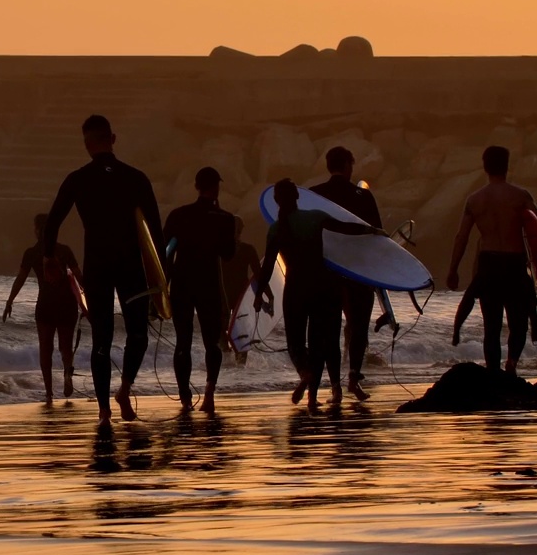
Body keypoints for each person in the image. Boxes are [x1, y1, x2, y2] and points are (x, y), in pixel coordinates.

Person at [43, 115, 162, 424]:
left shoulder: (78, 179)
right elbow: (156, 230)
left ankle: (104, 411)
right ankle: (124, 391)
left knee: (101, 340)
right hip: (131, 268)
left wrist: (48, 259)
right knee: (138, 335)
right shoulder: (136, 178)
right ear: (113, 138)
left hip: (97, 267)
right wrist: (163, 275)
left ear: (87, 144)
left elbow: (52, 221)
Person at [254, 180, 384, 409]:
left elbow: (267, 267)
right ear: (298, 197)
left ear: (276, 201)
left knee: (295, 341)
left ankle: (305, 374)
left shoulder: (276, 229)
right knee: (319, 342)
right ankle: (314, 396)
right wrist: (370, 230)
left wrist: (258, 295)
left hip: (296, 288)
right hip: (323, 285)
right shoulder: (315, 217)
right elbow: (346, 227)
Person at [445, 146, 537, 375]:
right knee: (518, 323)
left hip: (489, 266)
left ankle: (493, 372)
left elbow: (461, 237)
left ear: (485, 166)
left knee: (491, 327)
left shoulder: (475, 200)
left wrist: (453, 270)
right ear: (507, 166)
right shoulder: (521, 196)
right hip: (514, 266)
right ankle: (511, 364)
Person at [311, 146, 383, 401]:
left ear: (329, 165)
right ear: (348, 166)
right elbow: (376, 233)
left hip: (325, 270)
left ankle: (335, 387)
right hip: (357, 270)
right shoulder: (362, 196)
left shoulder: (314, 195)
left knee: (328, 328)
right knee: (358, 325)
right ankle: (353, 377)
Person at [163, 167, 235, 412]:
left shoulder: (178, 215)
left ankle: (184, 397)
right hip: (209, 285)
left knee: (182, 342)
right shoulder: (225, 218)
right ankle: (209, 394)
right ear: (216, 187)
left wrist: (163, 285)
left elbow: (164, 254)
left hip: (182, 284)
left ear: (196, 186)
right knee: (211, 343)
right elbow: (228, 255)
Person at [4, 213, 84, 405]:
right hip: (67, 304)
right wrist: (88, 302)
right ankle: (67, 373)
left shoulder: (31, 253)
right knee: (66, 346)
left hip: (45, 305)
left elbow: (21, 279)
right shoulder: (64, 250)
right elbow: (80, 278)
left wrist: (10, 301)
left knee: (45, 349)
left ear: (37, 230)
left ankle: (49, 393)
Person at [222, 216, 261, 365]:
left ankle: (226, 366)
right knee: (242, 335)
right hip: (241, 297)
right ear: (241, 230)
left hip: (223, 296)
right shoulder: (247, 249)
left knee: (221, 334)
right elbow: (259, 275)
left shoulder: (219, 250)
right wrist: (268, 296)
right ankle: (239, 368)